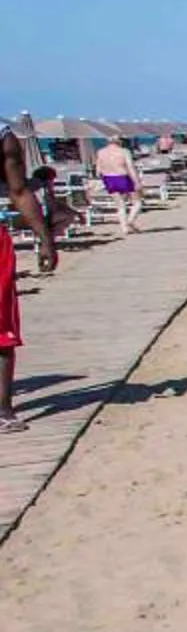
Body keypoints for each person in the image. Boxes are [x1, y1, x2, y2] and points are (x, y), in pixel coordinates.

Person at [2, 123, 59, 433]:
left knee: (2, 331)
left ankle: (3, 408)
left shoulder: (4, 137)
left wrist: (46, 237)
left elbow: (20, 190)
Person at [89, 135, 142, 232]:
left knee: (120, 205)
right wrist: (137, 181)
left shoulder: (100, 152)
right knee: (137, 202)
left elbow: (98, 171)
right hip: (123, 177)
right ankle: (130, 221)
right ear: (119, 141)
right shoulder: (124, 151)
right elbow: (130, 167)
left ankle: (124, 228)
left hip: (108, 178)